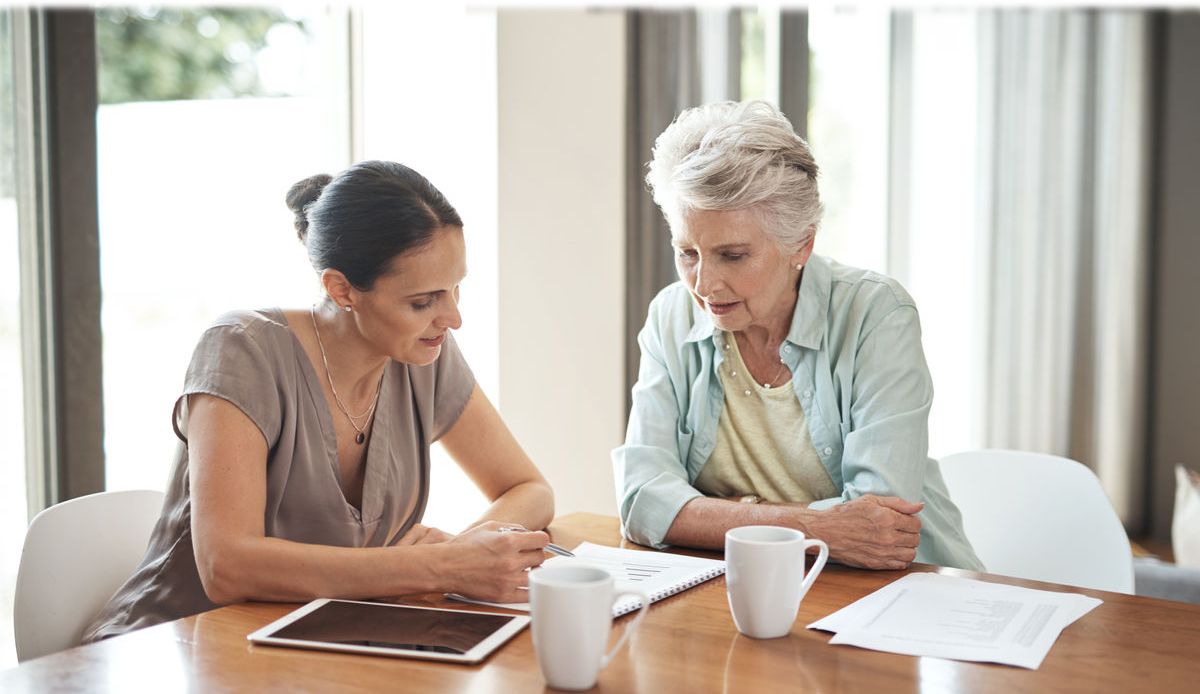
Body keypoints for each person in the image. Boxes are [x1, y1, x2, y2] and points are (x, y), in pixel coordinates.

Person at [85, 161, 555, 642]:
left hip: (318, 648)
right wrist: (436, 566)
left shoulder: (423, 356)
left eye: (456, 289)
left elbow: (530, 489)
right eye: (423, 301)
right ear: (341, 288)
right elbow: (226, 566)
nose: (452, 318)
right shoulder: (242, 350)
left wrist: (464, 551)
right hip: (172, 647)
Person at [613, 101, 983, 571]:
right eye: (687, 253)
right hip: (744, 584)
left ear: (801, 244)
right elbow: (642, 501)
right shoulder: (671, 315)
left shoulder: (876, 314)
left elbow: (879, 524)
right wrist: (818, 528)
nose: (704, 285)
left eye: (732, 255)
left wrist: (706, 517)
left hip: (894, 592)